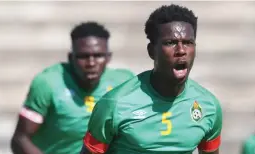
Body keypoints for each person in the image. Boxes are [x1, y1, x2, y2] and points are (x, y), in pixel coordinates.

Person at [80, 4, 222, 154]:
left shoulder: (209, 106)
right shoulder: (115, 104)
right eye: (170, 43)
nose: (181, 51)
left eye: (188, 43)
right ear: (151, 51)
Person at [10, 22, 134, 154]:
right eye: (83, 56)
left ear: (108, 57)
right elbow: (20, 139)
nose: (91, 63)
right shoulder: (48, 83)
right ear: (70, 57)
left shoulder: (124, 83)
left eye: (98, 56)